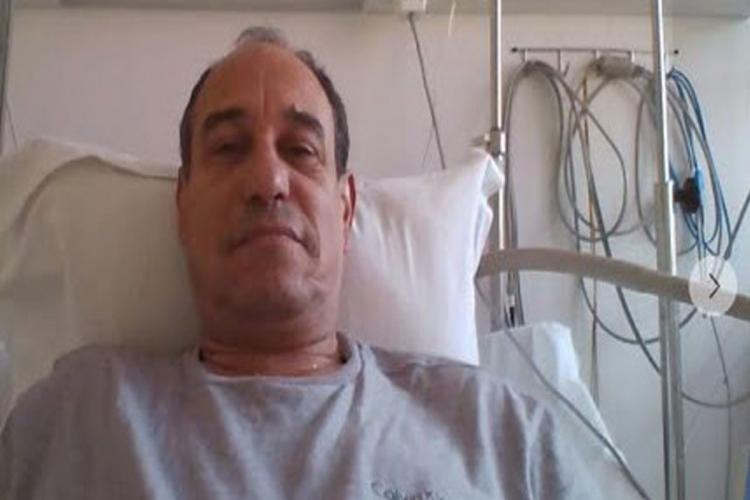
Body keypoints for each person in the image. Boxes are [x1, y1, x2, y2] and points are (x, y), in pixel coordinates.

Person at [0, 27, 580, 499]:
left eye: (301, 150)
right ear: (182, 205)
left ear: (345, 208)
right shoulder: (75, 420)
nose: (267, 180)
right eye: (228, 148)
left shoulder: (500, 435)